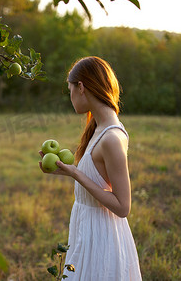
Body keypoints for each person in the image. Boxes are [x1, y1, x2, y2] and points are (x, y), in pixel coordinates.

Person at [39, 56, 142, 280]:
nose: (70, 97)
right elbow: (97, 179)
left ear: (81, 87)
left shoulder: (112, 137)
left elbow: (123, 207)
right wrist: (68, 171)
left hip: (101, 234)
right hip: (86, 227)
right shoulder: (98, 126)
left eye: (70, 90)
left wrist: (76, 173)